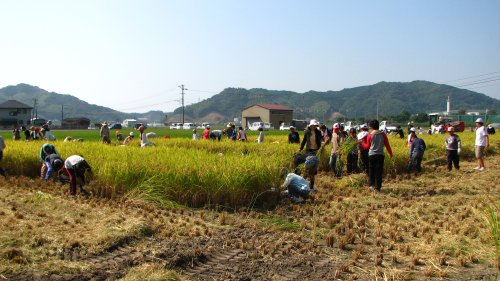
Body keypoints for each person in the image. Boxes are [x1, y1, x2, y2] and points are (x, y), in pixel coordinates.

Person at [361, 119, 393, 192]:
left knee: (371, 170)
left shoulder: (370, 135)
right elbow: (387, 145)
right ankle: (378, 187)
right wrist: (390, 153)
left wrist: (362, 143)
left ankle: (371, 185)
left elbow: (367, 147)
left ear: (371, 127)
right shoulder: (383, 134)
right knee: (379, 171)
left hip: (372, 155)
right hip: (380, 155)